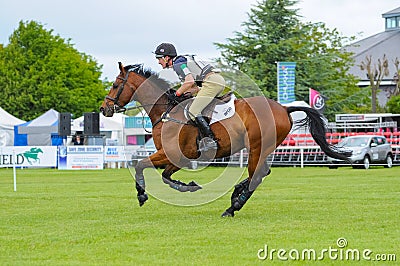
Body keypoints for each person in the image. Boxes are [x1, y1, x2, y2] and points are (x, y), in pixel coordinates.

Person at [154, 43, 225, 151]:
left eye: (159, 58)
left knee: (193, 111)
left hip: (211, 82)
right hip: (214, 81)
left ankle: (211, 141)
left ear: (167, 58)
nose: (158, 62)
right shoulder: (181, 62)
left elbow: (189, 82)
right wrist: (182, 94)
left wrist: (177, 94)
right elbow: (195, 88)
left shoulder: (178, 64)